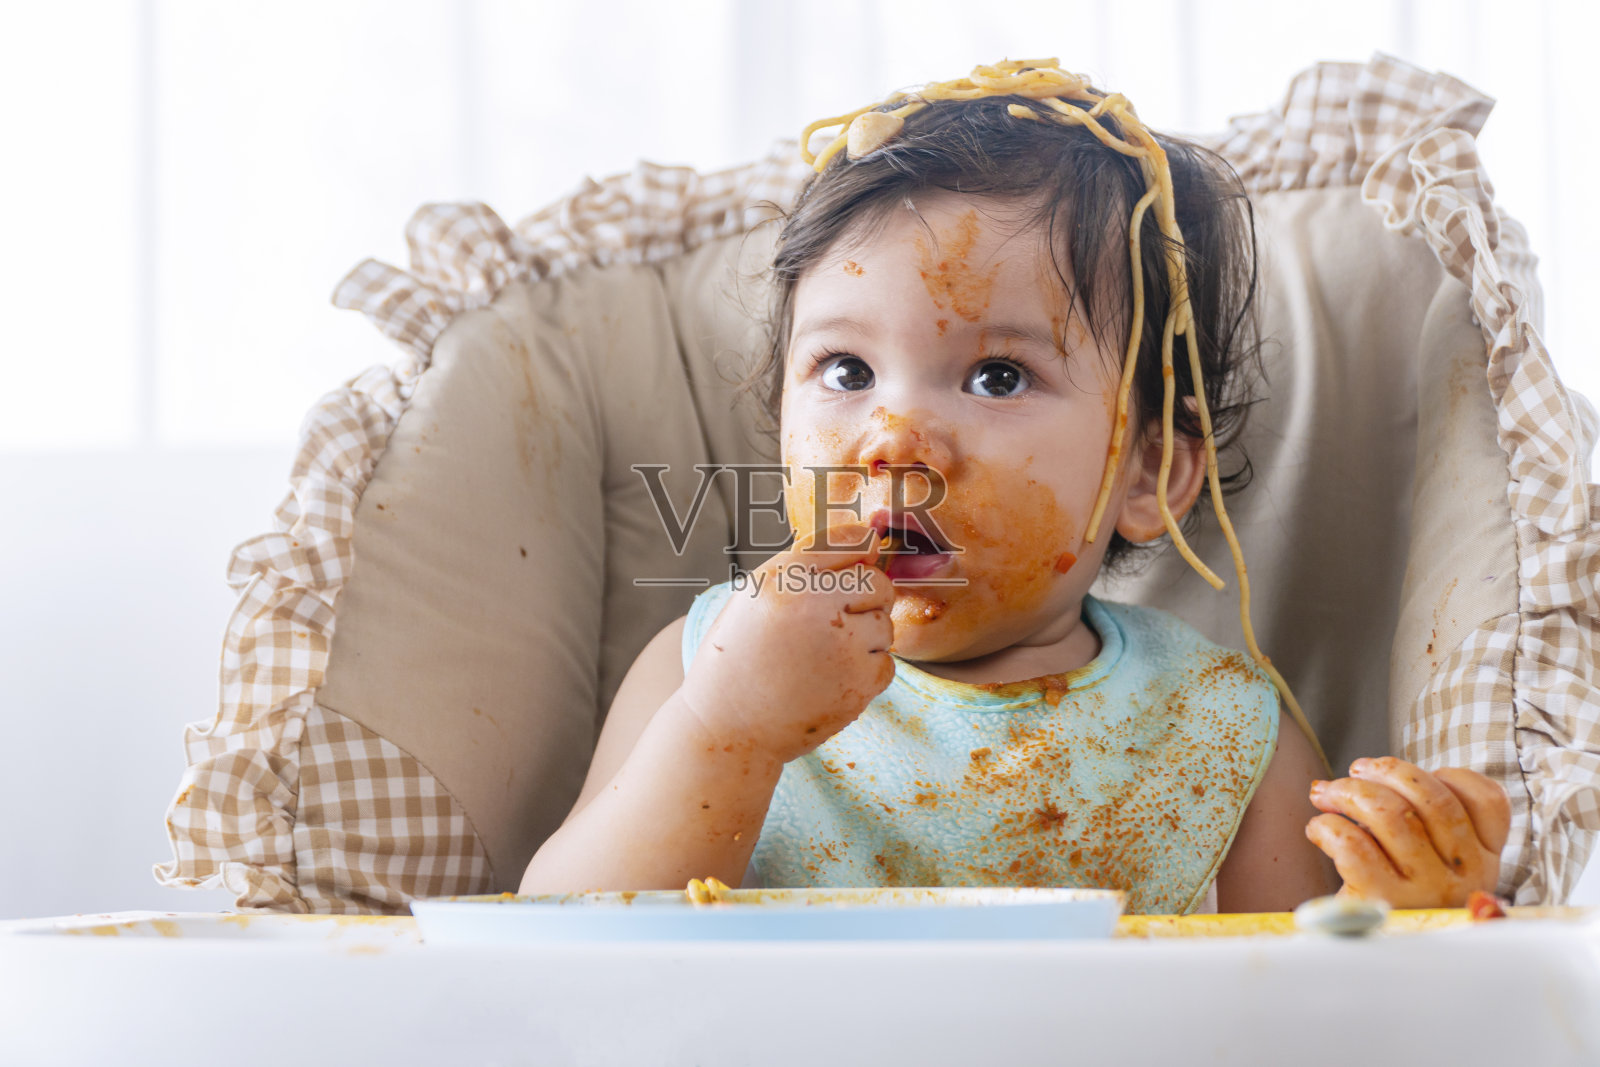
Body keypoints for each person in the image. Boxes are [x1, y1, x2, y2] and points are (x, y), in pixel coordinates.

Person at [519, 61, 1510, 913]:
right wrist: (723, 731)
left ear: (1147, 475)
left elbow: (1306, 1017)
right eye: (846, 371)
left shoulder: (1222, 726)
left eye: (998, 375)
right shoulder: (704, 662)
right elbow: (551, 954)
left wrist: (1403, 917)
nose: (891, 442)